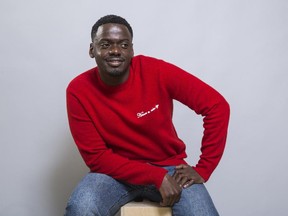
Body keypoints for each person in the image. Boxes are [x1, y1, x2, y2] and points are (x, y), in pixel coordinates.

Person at [64, 14, 230, 216]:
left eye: (124, 45)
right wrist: (154, 176)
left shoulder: (156, 71)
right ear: (92, 50)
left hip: (170, 168)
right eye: (106, 44)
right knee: (81, 207)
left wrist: (204, 168)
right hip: (114, 172)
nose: (115, 51)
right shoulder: (78, 90)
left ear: (132, 50)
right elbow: (97, 158)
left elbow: (217, 106)